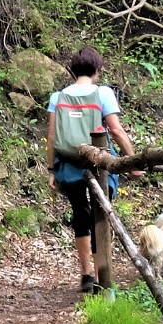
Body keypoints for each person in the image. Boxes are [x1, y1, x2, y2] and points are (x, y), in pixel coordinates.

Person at [45, 47, 141, 294]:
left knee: (80, 214)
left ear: (73, 70)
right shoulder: (103, 93)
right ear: (97, 70)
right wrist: (132, 162)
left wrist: (51, 169)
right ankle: (102, 277)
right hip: (98, 165)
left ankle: (86, 274)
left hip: (68, 164)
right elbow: (116, 130)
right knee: (100, 216)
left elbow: (52, 136)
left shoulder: (58, 97)